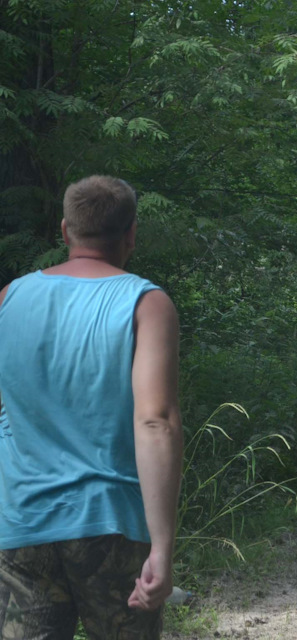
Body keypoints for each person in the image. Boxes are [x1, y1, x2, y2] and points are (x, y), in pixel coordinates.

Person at [0, 175, 183, 638]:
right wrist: (162, 545)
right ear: (131, 234)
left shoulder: (9, 299)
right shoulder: (147, 303)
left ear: (65, 231)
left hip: (21, 525)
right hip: (109, 525)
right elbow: (154, 421)